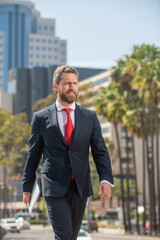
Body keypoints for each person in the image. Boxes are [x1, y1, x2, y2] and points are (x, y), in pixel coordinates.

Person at [22, 65, 114, 240]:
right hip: (54, 186)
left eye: (74, 83)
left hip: (80, 186)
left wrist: (105, 179)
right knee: (64, 236)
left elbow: (100, 151)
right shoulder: (41, 117)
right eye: (67, 84)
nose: (72, 87)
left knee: (71, 237)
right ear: (55, 86)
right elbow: (33, 154)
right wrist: (27, 186)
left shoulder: (89, 117)